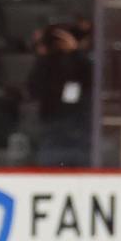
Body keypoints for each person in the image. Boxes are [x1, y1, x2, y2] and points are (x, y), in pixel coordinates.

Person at [27, 20, 93, 167]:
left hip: (78, 126)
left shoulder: (80, 62)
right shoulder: (45, 64)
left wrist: (75, 53)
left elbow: (88, 81)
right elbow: (34, 89)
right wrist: (42, 53)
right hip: (51, 126)